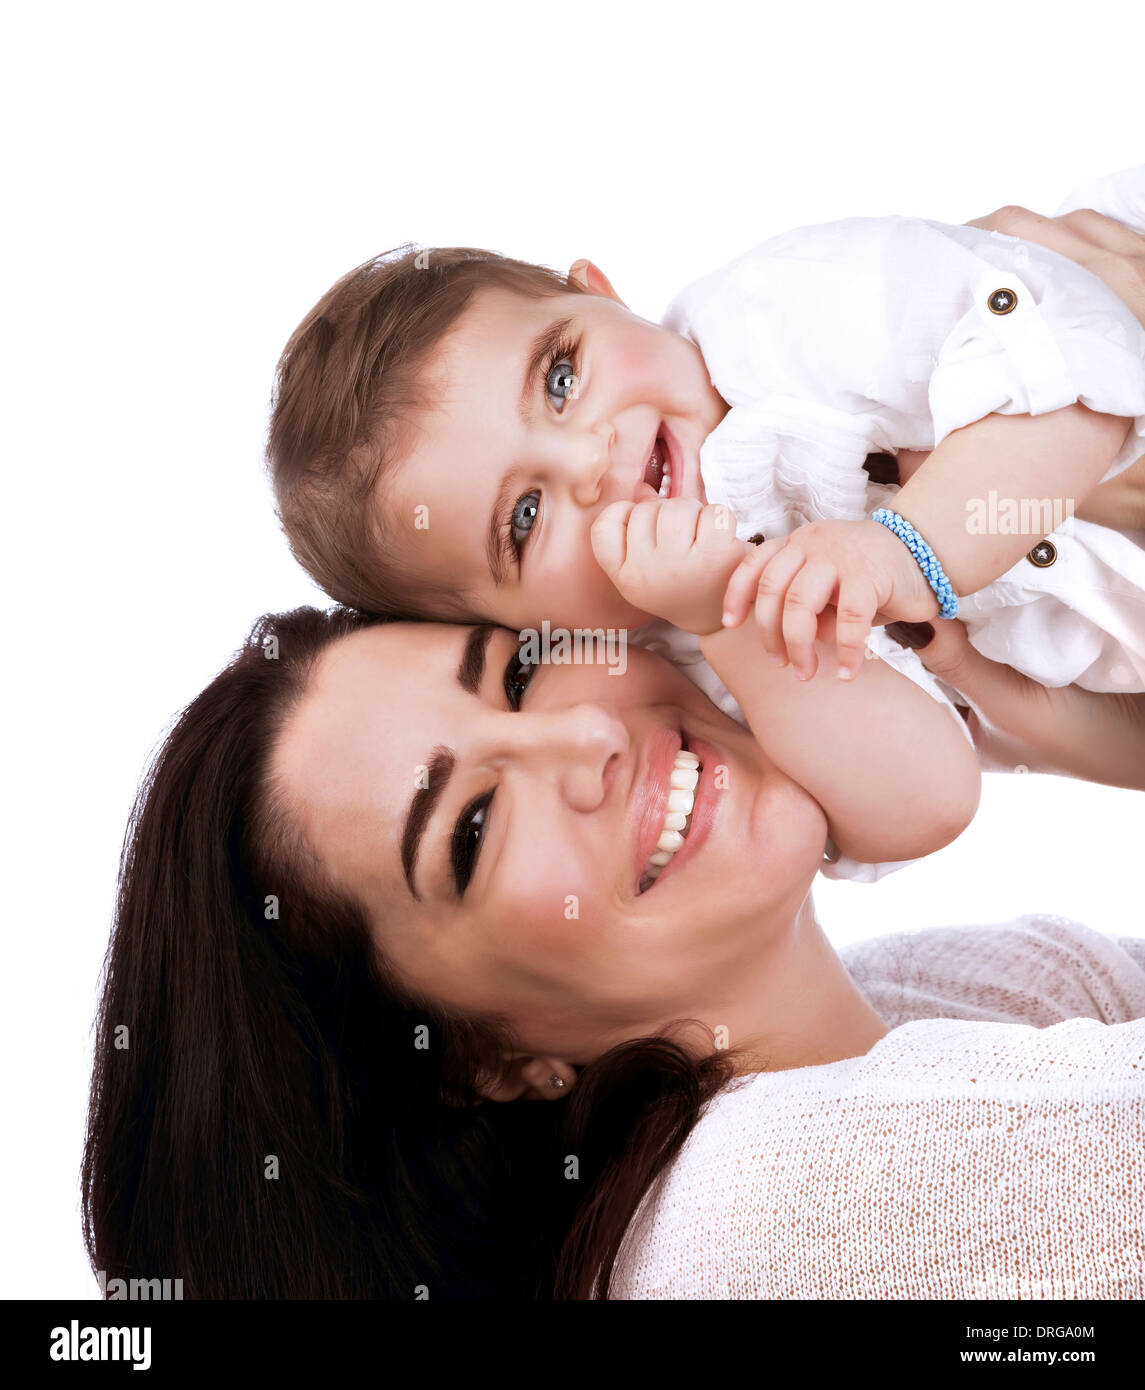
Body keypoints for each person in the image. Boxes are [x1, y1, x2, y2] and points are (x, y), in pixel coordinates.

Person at [81, 604, 1145, 1301]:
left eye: (520, 672)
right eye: (472, 828)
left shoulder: (934, 989)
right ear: (478, 1062)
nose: (586, 739)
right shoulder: (758, 1217)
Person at [265, 167, 1145, 884]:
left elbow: (1081, 357)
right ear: (529, 627)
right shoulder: (697, 671)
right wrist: (729, 620)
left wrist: (907, 548)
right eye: (525, 517)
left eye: (561, 379)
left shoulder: (780, 314)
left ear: (601, 294)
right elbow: (930, 800)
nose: (588, 462)